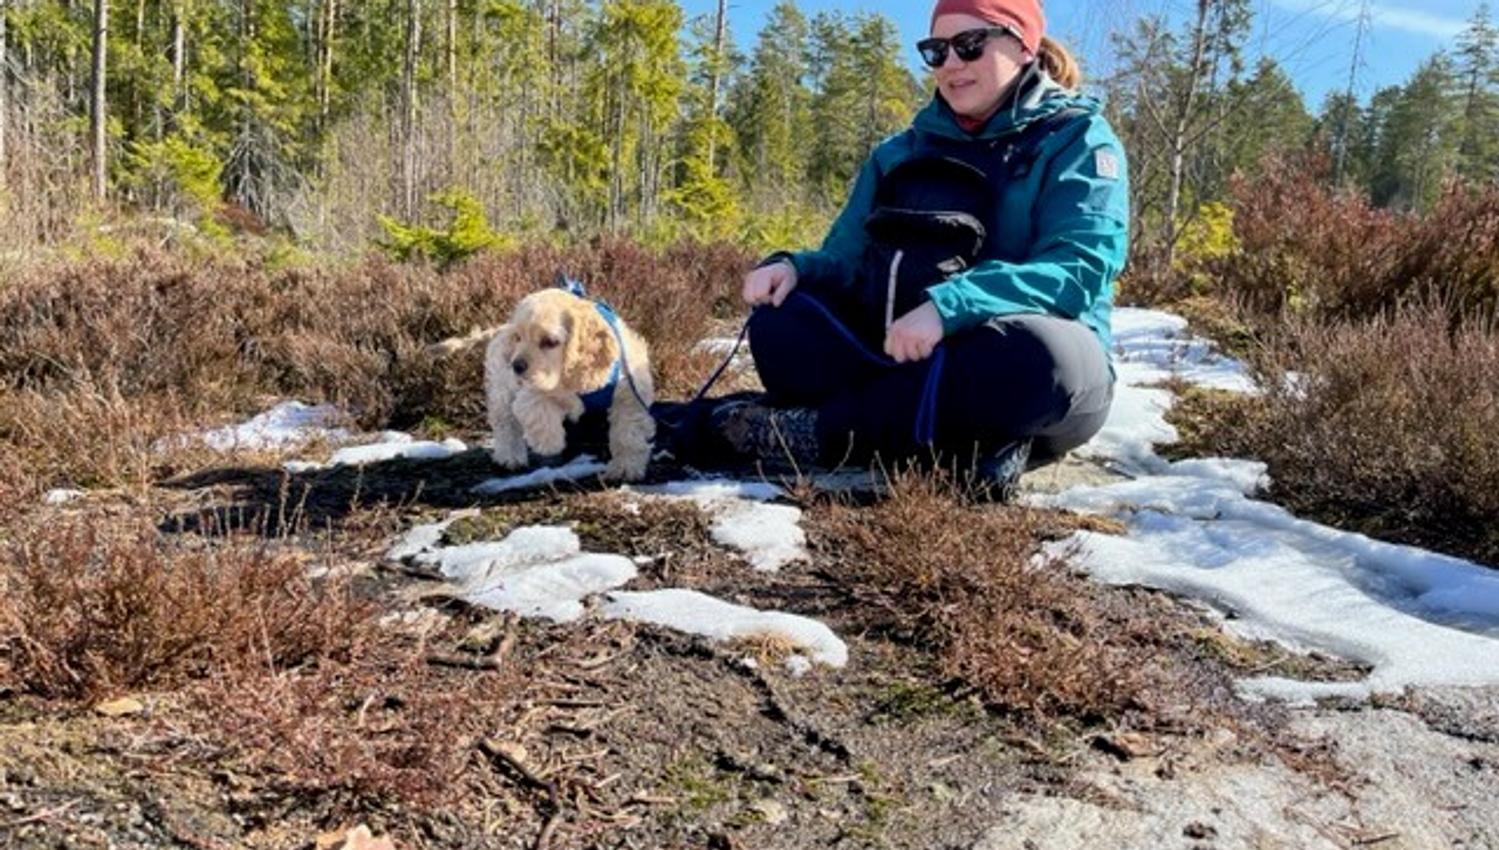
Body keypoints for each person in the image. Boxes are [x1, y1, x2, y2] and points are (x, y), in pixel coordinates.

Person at [713, 0, 1128, 498]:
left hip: (1013, 354)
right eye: (936, 50)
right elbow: (847, 258)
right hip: (897, 349)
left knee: (1044, 361)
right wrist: (794, 267)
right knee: (781, 320)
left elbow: (1079, 268)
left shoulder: (1078, 138)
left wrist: (949, 306)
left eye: (970, 45)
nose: (951, 63)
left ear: (1024, 46)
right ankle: (969, 444)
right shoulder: (900, 151)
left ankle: (821, 432)